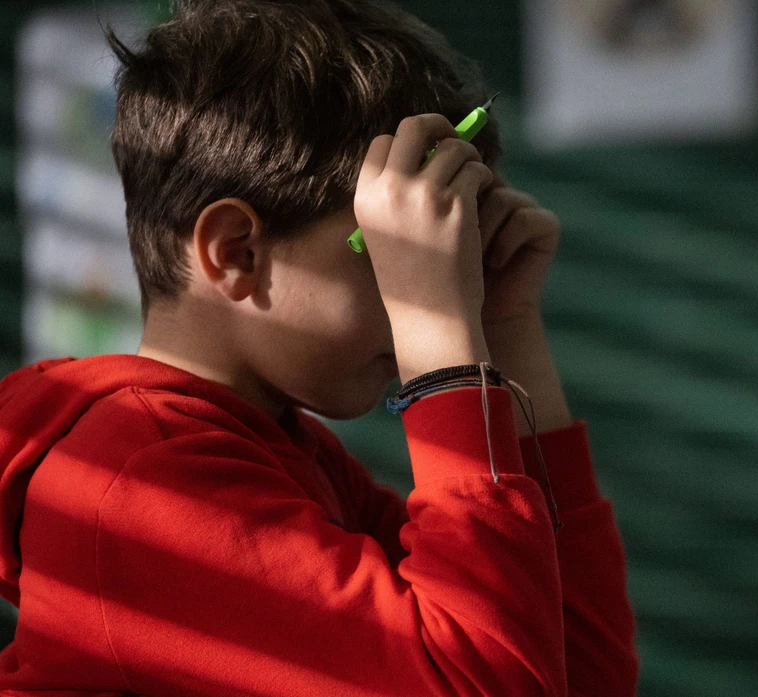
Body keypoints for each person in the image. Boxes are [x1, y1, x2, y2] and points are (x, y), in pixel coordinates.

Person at [0, 0, 639, 694]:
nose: (442, 288)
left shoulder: (281, 450)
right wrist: (438, 331)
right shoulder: (135, 478)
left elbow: (579, 673)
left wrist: (506, 325)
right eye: (395, 254)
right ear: (236, 252)